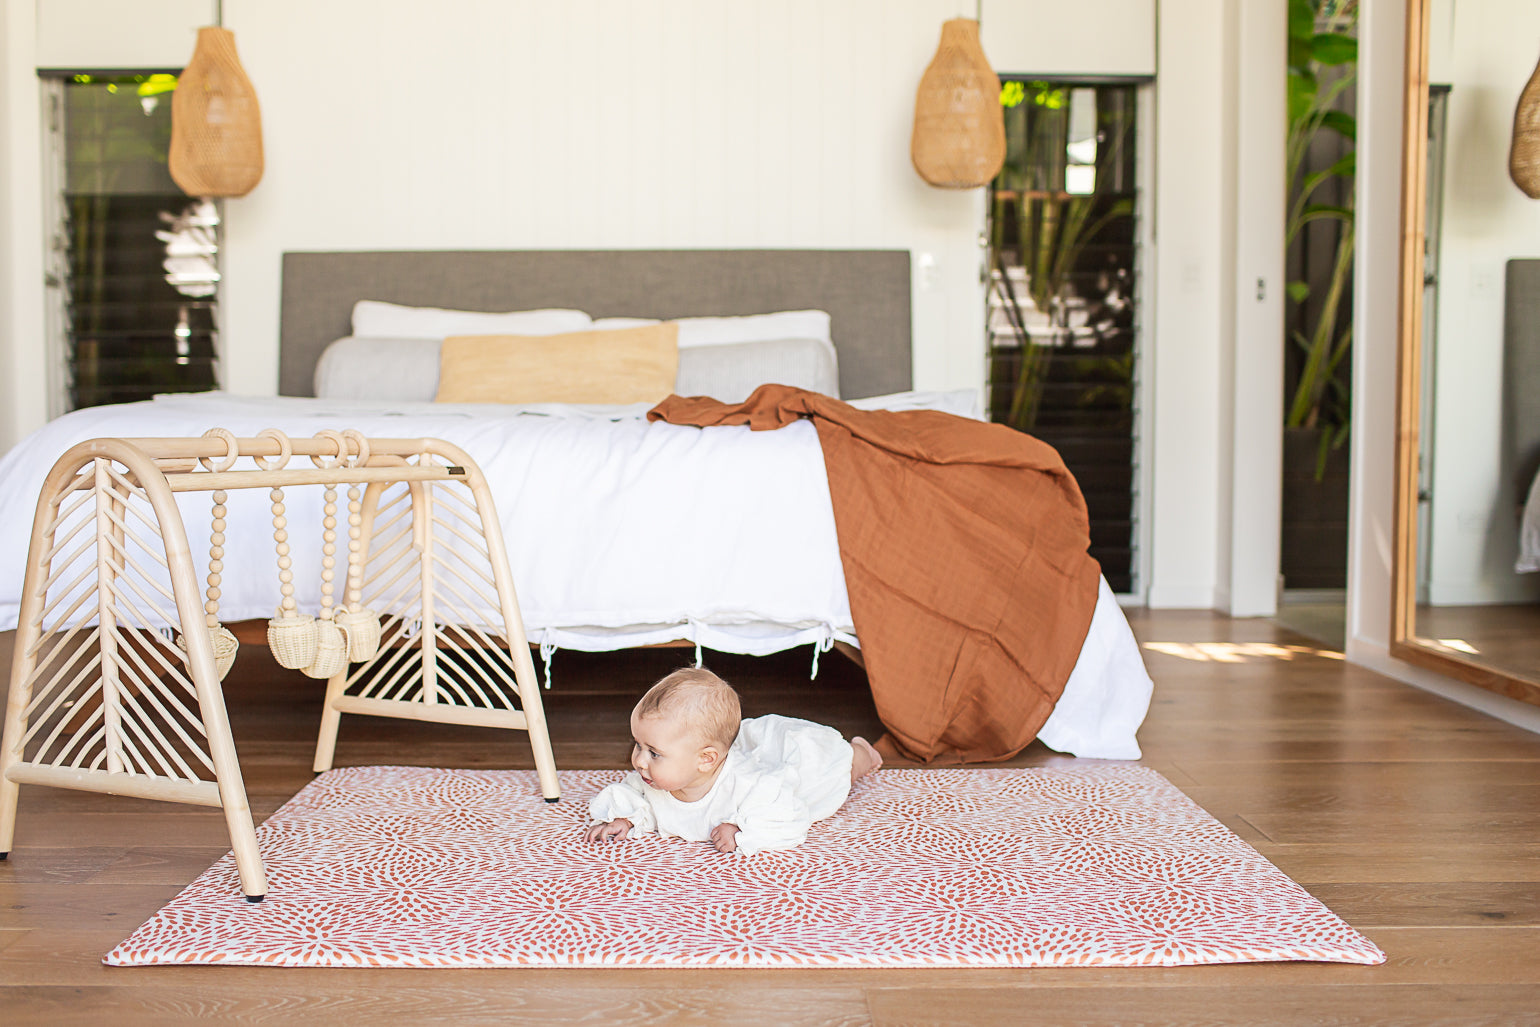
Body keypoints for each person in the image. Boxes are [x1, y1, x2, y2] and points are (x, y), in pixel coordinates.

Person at [585, 667, 883, 855]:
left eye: (654, 752)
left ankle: (863, 753)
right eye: (638, 745)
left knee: (835, 769)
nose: (638, 761)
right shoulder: (655, 778)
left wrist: (742, 829)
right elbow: (642, 799)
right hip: (742, 755)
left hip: (800, 771)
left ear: (705, 760)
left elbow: (789, 816)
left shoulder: (752, 785)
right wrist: (625, 818)